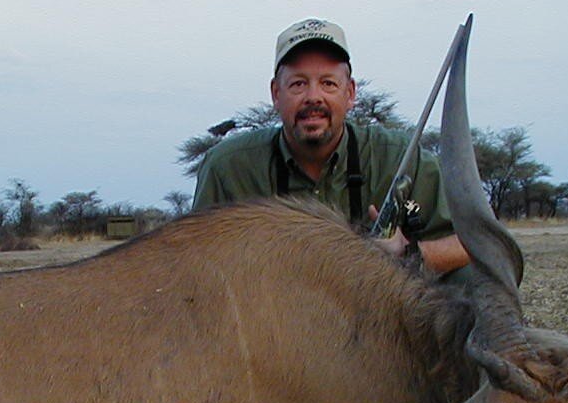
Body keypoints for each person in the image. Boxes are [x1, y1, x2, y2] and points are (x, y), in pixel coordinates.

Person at [193, 18, 470, 274]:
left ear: (350, 93)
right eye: (298, 84)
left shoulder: (403, 159)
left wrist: (409, 256)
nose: (314, 97)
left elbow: (473, 242)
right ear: (276, 94)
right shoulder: (226, 167)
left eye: (328, 83)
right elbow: (194, 261)